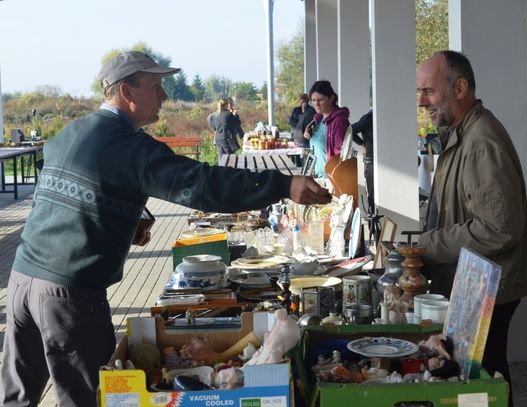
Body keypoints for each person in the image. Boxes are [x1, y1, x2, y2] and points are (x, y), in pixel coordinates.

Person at [0, 51, 332, 406]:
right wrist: (282, 186)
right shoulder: (129, 147)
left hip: (22, 281)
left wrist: (126, 223)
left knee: (16, 397)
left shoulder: (70, 133)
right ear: (127, 92)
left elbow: (55, 201)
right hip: (69, 295)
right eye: (156, 87)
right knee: (88, 398)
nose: (165, 97)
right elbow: (201, 184)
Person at [416, 50, 527, 406]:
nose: (422, 101)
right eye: (420, 92)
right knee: (480, 382)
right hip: (476, 282)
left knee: (485, 384)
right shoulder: (462, 132)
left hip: (488, 288)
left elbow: (499, 228)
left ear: (460, 88)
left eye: (429, 91)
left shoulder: (481, 140)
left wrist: (428, 244)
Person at [303, 80, 350, 178]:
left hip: (330, 180)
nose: (316, 104)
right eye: (313, 100)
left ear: (331, 98)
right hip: (317, 177)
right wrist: (308, 131)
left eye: (320, 100)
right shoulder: (318, 119)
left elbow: (341, 156)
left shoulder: (339, 121)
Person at [351, 109, 374, 214]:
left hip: (377, 160)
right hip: (371, 161)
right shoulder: (369, 118)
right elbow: (350, 130)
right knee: (372, 196)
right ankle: (374, 227)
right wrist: (362, 144)